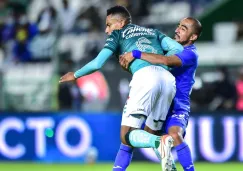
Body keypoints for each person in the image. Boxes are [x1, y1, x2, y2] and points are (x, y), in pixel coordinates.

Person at [59, 5, 183, 171]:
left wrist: (75, 75)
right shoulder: (154, 33)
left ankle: (158, 142)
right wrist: (156, 58)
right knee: (148, 134)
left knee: (127, 135)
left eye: (109, 24)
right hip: (167, 80)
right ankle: (169, 164)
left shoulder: (118, 34)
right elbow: (179, 49)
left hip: (145, 77)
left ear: (121, 23)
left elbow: (97, 63)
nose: (106, 29)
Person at [120, 17, 202, 171]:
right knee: (129, 137)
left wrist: (136, 53)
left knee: (175, 135)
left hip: (176, 106)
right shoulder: (168, 46)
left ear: (193, 37)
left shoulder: (190, 54)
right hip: (157, 100)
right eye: (178, 26)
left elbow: (166, 61)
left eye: (183, 28)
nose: (177, 30)